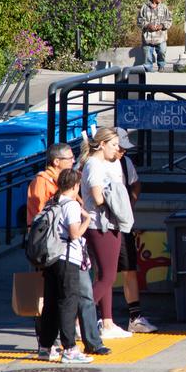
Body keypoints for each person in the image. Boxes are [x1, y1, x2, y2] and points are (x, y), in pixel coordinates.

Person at [27, 144, 109, 359]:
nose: (73, 161)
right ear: (56, 162)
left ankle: (89, 341)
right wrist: (84, 219)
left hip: (62, 254)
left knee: (78, 296)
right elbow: (43, 221)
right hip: (57, 253)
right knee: (62, 301)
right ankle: (63, 346)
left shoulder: (63, 191)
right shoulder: (42, 183)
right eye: (69, 158)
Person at [36, 167, 95, 365]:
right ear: (76, 186)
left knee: (51, 303)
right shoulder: (71, 205)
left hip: (51, 259)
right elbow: (75, 233)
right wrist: (87, 219)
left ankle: (45, 347)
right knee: (68, 303)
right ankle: (69, 349)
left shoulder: (52, 202)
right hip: (68, 259)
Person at [78, 127, 132, 339]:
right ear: (102, 144)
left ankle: (107, 323)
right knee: (108, 277)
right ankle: (76, 319)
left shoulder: (100, 164)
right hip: (101, 225)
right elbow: (98, 197)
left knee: (104, 275)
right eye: (114, 145)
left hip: (105, 223)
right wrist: (117, 196)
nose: (117, 149)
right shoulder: (94, 164)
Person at [115, 128, 157, 334]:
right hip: (101, 225)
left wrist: (130, 204)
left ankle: (135, 316)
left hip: (123, 224)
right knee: (103, 274)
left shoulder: (125, 162)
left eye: (125, 148)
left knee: (129, 268)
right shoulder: (92, 164)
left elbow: (136, 184)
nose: (122, 151)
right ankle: (99, 318)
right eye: (119, 147)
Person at [137, 0, 172, 71]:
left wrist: (162, 25)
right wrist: (148, 25)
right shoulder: (144, 7)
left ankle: (161, 66)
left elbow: (169, 20)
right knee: (147, 56)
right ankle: (148, 70)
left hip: (161, 37)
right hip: (148, 38)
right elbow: (139, 21)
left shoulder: (164, 7)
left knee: (162, 52)